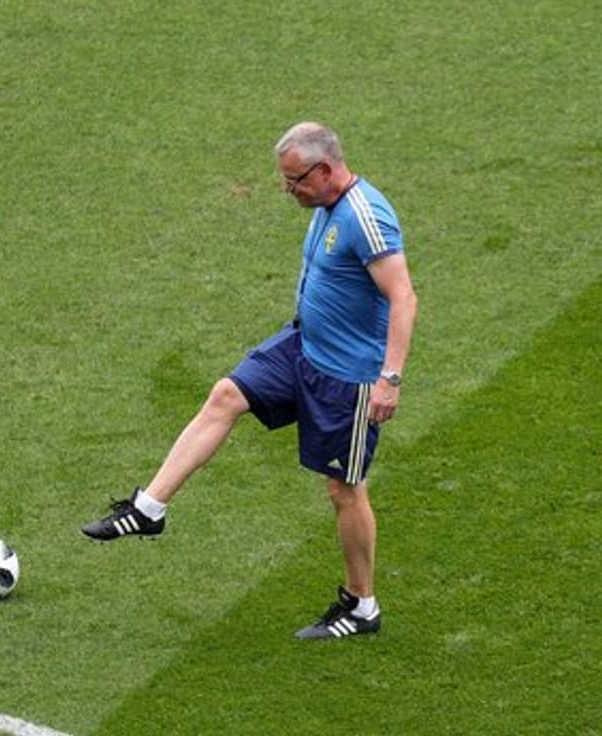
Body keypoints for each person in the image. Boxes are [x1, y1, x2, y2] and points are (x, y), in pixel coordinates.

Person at [80, 121, 418, 640]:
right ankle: (149, 509)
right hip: (302, 345)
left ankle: (361, 606)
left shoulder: (367, 217)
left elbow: (403, 297)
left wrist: (389, 379)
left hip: (346, 379)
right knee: (226, 394)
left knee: (344, 490)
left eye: (295, 180)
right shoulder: (326, 206)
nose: (289, 190)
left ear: (326, 169)